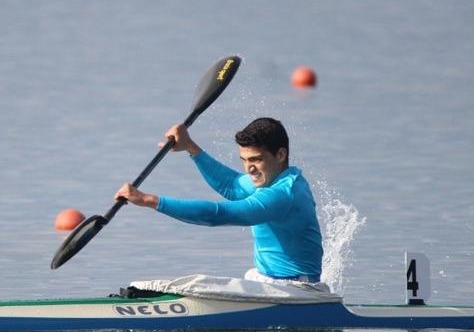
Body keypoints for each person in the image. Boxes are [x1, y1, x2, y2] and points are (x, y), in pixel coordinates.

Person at [115, 117, 324, 283]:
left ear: (280, 155)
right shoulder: (273, 178)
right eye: (244, 160)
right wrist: (190, 147)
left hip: (296, 290)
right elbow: (232, 185)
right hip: (269, 281)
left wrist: (148, 200)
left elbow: (217, 215)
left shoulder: (283, 195)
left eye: (256, 160)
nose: (249, 169)